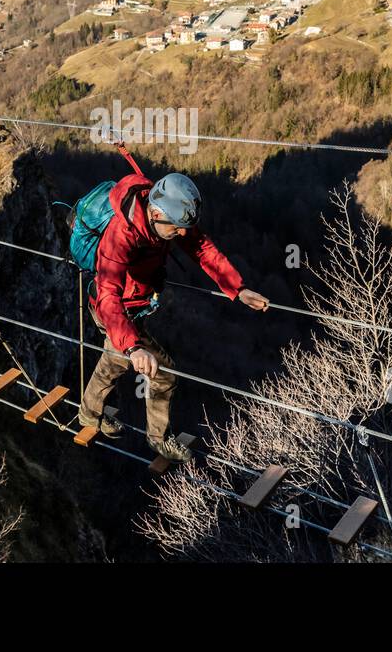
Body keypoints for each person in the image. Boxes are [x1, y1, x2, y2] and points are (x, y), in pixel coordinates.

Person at [78, 168, 269, 461]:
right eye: (177, 228)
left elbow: (202, 248)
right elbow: (108, 295)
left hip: (133, 306)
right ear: (154, 215)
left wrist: (237, 289)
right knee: (163, 374)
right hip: (114, 311)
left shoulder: (168, 215)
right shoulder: (121, 235)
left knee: (114, 361)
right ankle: (157, 440)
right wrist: (134, 346)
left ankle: (89, 414)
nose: (181, 234)